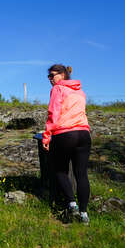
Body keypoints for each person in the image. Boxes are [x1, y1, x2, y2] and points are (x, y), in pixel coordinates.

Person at [42, 64, 91, 224]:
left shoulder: (58, 89)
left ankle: (72, 205)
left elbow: (53, 113)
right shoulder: (79, 91)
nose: (50, 79)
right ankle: (84, 215)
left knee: (59, 170)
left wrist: (46, 136)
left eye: (52, 75)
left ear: (62, 75)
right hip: (84, 134)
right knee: (81, 174)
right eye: (48, 76)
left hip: (65, 133)